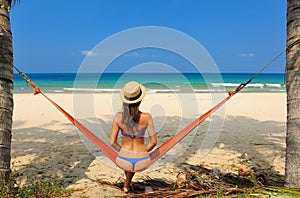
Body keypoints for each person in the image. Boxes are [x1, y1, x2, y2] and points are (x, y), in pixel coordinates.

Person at [110, 81, 157, 193]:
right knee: (134, 162)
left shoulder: (118, 117)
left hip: (122, 160)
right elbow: (154, 142)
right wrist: (143, 152)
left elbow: (112, 142)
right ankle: (127, 184)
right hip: (142, 160)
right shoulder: (147, 117)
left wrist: (122, 152)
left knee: (128, 163)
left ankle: (127, 183)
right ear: (140, 100)